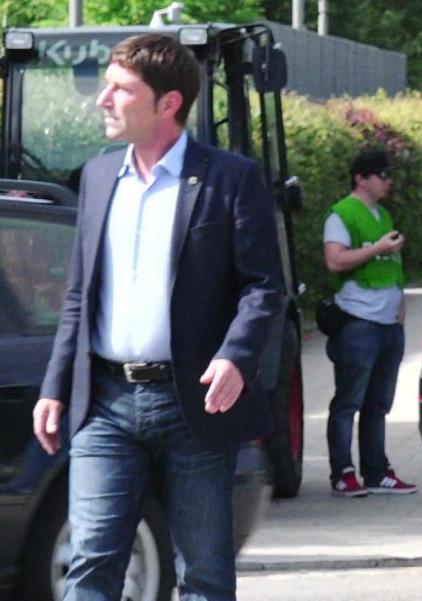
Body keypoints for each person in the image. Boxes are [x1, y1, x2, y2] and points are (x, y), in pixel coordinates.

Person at [32, 34, 285, 601]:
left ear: (168, 103)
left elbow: (265, 287)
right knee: (90, 562)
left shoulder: (228, 177)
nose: (103, 100)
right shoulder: (97, 178)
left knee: (203, 572)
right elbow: (79, 295)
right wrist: (55, 387)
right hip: (104, 404)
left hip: (191, 400)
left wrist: (236, 357)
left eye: (121, 89)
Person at [322, 149, 417, 497]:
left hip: (389, 324)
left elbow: (392, 266)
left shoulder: (384, 214)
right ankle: (343, 473)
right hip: (358, 323)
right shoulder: (341, 214)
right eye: (381, 174)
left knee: (378, 404)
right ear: (360, 178)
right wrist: (376, 248)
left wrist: (402, 307)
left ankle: (376, 472)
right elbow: (335, 261)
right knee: (348, 402)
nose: (388, 180)